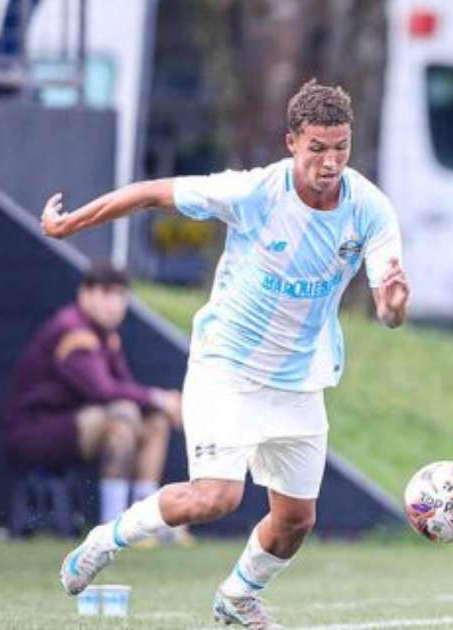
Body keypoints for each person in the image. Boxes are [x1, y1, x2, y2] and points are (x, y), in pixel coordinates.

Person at [43, 79, 409, 629]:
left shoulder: (371, 209)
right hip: (227, 368)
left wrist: (395, 306)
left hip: (299, 380)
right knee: (215, 497)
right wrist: (73, 224)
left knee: (295, 521)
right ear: (291, 142)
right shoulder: (254, 193)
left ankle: (237, 596)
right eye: (318, 148)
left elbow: (388, 304)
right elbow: (150, 192)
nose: (330, 162)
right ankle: (104, 540)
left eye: (341, 147)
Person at [5, 261, 182, 527]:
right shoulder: (74, 330)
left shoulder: (106, 336)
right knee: (122, 418)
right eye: (106, 293)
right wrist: (160, 398)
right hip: (34, 431)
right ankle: (114, 525)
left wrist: (159, 406)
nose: (114, 303)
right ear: (84, 294)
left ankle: (145, 524)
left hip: (72, 426)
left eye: (121, 295)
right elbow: (103, 390)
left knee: (155, 421)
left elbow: (125, 387)